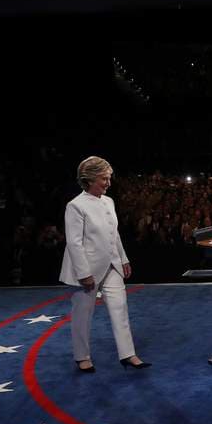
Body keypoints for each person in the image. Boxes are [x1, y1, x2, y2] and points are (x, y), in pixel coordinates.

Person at [60, 156, 151, 373]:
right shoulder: (75, 205)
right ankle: (82, 357)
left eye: (109, 178)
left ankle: (128, 354)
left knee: (120, 307)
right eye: (104, 178)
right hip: (87, 269)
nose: (108, 183)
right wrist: (84, 273)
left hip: (112, 265)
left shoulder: (108, 201)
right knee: (83, 314)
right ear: (90, 179)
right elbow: (74, 243)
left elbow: (114, 234)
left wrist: (123, 258)